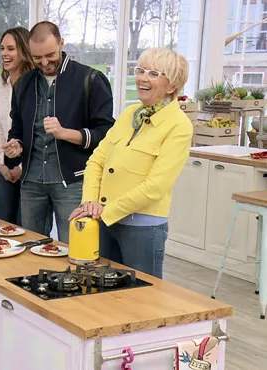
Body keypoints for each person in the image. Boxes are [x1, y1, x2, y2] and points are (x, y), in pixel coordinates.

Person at [68, 47, 193, 279]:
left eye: (155, 74)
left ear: (172, 85)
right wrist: (90, 202)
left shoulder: (179, 126)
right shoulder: (129, 114)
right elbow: (97, 160)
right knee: (104, 294)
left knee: (141, 300)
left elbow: (155, 186)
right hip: (104, 220)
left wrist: (105, 211)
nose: (143, 78)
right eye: (141, 70)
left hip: (142, 228)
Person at [2, 21, 114, 243]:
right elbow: (17, 129)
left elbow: (106, 135)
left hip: (73, 183)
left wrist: (66, 133)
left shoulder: (91, 80)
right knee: (30, 250)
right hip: (31, 183)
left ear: (61, 43)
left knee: (76, 249)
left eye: (50, 55)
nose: (44, 63)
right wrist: (16, 144)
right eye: (37, 58)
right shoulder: (23, 84)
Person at [0, 27, 35, 225]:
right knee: (3, 226)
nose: (4, 54)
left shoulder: (36, 85)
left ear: (24, 51)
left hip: (30, 166)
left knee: (25, 227)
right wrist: (0, 163)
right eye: (2, 48)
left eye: (10, 49)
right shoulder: (3, 83)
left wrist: (22, 167)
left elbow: (38, 132)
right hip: (6, 165)